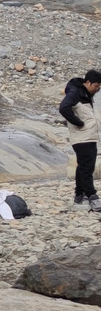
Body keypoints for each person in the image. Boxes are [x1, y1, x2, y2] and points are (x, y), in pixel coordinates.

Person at [58, 69, 101, 210]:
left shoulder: (85, 94)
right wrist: (79, 123)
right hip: (82, 136)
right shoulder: (75, 93)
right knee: (87, 167)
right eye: (96, 86)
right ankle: (92, 196)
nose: (97, 89)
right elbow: (64, 108)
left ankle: (79, 195)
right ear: (88, 82)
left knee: (83, 165)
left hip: (88, 136)